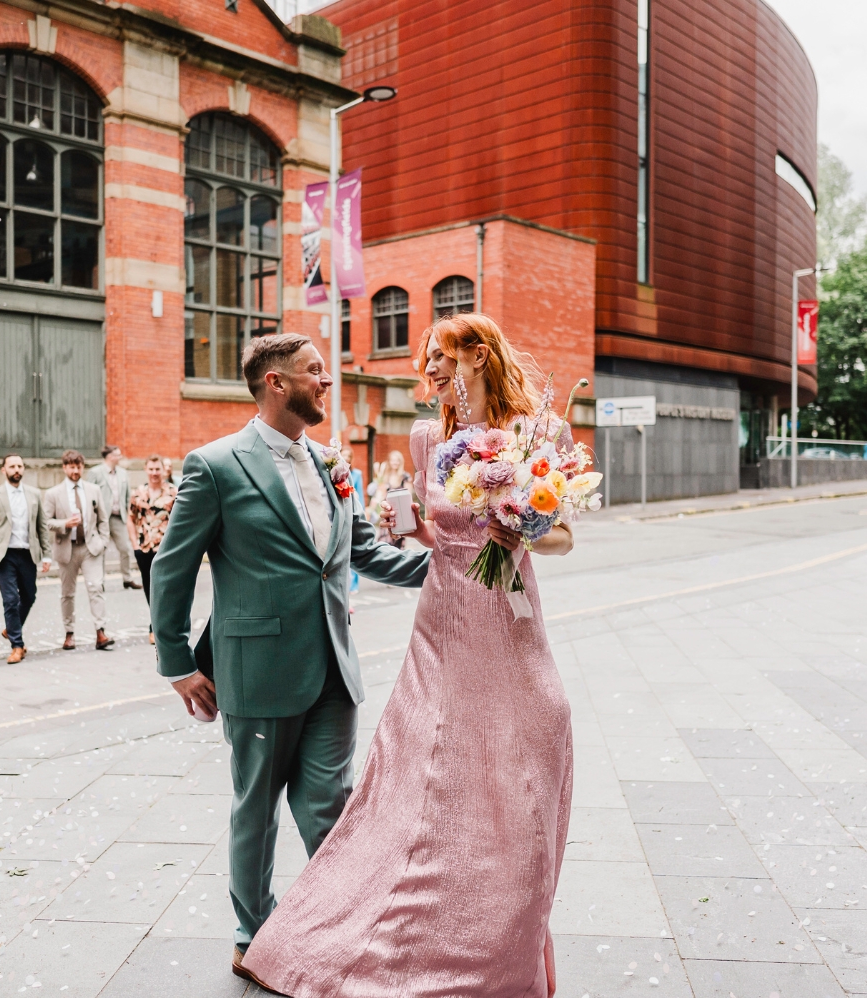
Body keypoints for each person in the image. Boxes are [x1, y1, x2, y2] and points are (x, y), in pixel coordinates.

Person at [242, 313, 576, 997]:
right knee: (427, 774)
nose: (427, 371)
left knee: (526, 763)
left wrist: (523, 520)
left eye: (438, 358)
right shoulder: (428, 439)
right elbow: (430, 530)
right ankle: (390, 930)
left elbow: (564, 536)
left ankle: (500, 940)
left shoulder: (541, 436)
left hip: (510, 617)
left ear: (476, 356)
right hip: (442, 623)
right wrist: (408, 524)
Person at [151, 333, 431, 979]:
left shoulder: (334, 462)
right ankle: (253, 934)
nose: (326, 382)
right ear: (276, 383)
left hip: (334, 664)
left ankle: (342, 925)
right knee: (257, 807)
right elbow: (172, 566)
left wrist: (445, 567)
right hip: (257, 671)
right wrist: (177, 662)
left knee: (331, 805)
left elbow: (363, 551)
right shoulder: (215, 465)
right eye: (315, 373)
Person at [0, 454, 52, 664]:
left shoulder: (35, 494)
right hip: (4, 555)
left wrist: (46, 554)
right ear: (4, 470)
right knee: (10, 599)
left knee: (29, 596)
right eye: (12, 466)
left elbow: (42, 527)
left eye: (19, 466)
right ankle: (17, 645)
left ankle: (11, 627)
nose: (16, 469)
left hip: (28, 553)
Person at [44, 450, 114, 651]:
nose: (75, 471)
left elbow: (103, 519)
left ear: (83, 467)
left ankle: (100, 632)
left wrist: (103, 543)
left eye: (79, 467)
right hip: (67, 550)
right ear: (64, 467)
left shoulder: (94, 490)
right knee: (67, 593)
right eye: (72, 467)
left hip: (90, 548)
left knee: (96, 588)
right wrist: (65, 523)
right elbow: (46, 522)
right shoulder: (53, 493)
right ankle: (69, 634)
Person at [127, 455, 178, 644]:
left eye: (158, 469)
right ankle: (155, 626)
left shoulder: (174, 492)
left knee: (164, 589)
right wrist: (134, 545)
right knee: (150, 589)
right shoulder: (138, 493)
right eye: (151, 469)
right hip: (144, 549)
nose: (155, 473)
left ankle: (157, 627)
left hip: (165, 550)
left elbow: (180, 522)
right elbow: (130, 519)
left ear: (163, 470)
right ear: (146, 469)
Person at [87, 445, 141, 589]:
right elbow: (89, 495)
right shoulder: (95, 472)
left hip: (119, 517)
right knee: (101, 551)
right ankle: (100, 581)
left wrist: (129, 513)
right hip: (101, 519)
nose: (120, 457)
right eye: (118, 454)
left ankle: (127, 578)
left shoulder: (123, 473)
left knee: (125, 548)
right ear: (110, 456)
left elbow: (128, 495)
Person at [367, 449, 413, 548]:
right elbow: (380, 495)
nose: (395, 462)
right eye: (393, 460)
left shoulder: (405, 477)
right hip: (388, 514)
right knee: (383, 542)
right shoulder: (385, 477)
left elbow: (409, 497)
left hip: (400, 515)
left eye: (397, 460)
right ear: (389, 462)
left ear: (400, 462)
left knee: (397, 542)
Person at [341, 446, 363, 593]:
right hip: (343, 512)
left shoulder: (356, 474)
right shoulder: (336, 471)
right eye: (345, 455)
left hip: (354, 509)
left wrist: (361, 514)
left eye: (349, 456)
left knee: (356, 547)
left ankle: (354, 584)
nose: (347, 458)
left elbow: (359, 494)